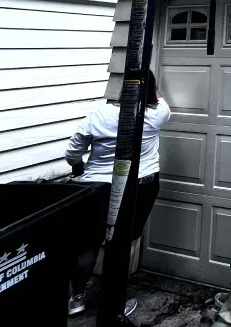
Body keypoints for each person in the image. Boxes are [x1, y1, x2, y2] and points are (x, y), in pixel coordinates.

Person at [64, 71, 171, 317]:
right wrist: (150, 85)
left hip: (97, 187)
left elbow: (72, 153)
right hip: (139, 186)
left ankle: (76, 299)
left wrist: (78, 167)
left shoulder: (99, 115)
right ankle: (114, 303)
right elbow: (157, 98)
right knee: (125, 241)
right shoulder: (157, 115)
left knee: (87, 243)